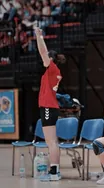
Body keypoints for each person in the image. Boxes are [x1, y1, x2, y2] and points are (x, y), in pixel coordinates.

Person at [35, 26, 66, 181]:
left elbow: (42, 53)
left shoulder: (52, 68)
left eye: (47, 57)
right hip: (49, 107)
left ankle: (54, 172)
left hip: (48, 107)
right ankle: (54, 170)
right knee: (51, 141)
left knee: (51, 142)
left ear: (51, 59)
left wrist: (38, 36)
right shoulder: (53, 71)